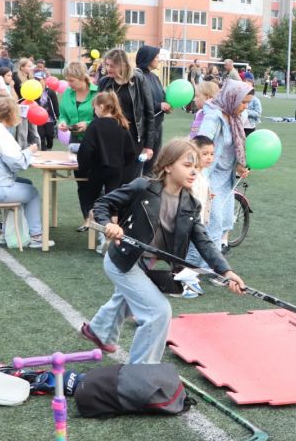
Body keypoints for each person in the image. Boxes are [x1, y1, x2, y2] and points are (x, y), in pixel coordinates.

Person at [81, 139, 246, 363]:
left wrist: (226, 271)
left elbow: (204, 242)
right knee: (158, 312)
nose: (194, 171)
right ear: (168, 166)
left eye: (196, 167)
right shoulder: (143, 188)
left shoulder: (191, 204)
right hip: (122, 260)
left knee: (127, 298)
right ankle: (140, 375)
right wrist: (108, 223)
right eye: (187, 165)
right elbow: (103, 204)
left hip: (146, 263)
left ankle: (99, 331)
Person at [0, 96, 50, 248]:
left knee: (26, 184)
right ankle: (36, 236)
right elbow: (17, 162)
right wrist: (30, 151)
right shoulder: (0, 134)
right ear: (11, 114)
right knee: (32, 192)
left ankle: (8, 233)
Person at [195, 80, 254, 255]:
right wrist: (202, 183)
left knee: (225, 222)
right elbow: (200, 145)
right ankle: (213, 270)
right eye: (243, 102)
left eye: (248, 103)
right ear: (232, 98)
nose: (245, 107)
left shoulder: (234, 118)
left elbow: (234, 149)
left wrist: (240, 166)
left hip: (226, 179)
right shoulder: (214, 117)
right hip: (210, 177)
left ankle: (205, 264)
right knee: (214, 223)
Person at [76, 92, 138, 240]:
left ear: (102, 107)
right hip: (116, 170)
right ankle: (109, 238)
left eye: (95, 108)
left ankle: (96, 236)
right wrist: (122, 165)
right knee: (113, 203)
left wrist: (83, 168)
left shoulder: (95, 124)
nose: (94, 111)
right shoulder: (121, 124)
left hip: (97, 169)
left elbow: (85, 150)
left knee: (92, 200)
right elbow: (130, 151)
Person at [97, 48, 155, 184]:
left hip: (134, 139)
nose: (108, 68)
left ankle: (127, 205)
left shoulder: (138, 80)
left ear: (123, 65)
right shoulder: (105, 82)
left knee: (129, 181)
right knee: (112, 180)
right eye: (106, 64)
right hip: (111, 139)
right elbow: (97, 111)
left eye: (112, 65)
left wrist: (149, 145)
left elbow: (149, 112)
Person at [178, 135, 217, 298]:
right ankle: (181, 285)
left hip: (198, 221)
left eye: (212, 154)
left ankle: (187, 281)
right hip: (190, 222)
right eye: (205, 154)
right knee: (193, 254)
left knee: (194, 253)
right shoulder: (191, 175)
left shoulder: (202, 174)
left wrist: (208, 195)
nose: (209, 158)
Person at [135, 46, 170, 173]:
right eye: (156, 57)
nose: (158, 60)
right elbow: (138, 102)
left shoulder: (154, 77)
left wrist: (166, 104)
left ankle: (147, 189)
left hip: (157, 126)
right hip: (143, 128)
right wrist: (158, 105)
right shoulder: (137, 76)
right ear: (148, 58)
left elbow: (161, 95)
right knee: (140, 163)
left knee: (153, 163)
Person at [58, 62, 98, 145]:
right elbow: (63, 114)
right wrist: (63, 122)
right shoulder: (67, 93)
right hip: (74, 140)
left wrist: (87, 125)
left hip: (95, 140)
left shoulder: (98, 93)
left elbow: (105, 118)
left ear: (83, 78)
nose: (68, 84)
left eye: (72, 80)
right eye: (67, 80)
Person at [35, 73, 59, 151]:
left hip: (49, 118)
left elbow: (55, 104)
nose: (37, 81)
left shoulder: (50, 92)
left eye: (39, 80)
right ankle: (43, 150)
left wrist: (56, 116)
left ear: (44, 80)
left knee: (50, 135)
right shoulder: (34, 91)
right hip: (38, 118)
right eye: (36, 79)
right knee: (41, 135)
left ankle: (49, 147)